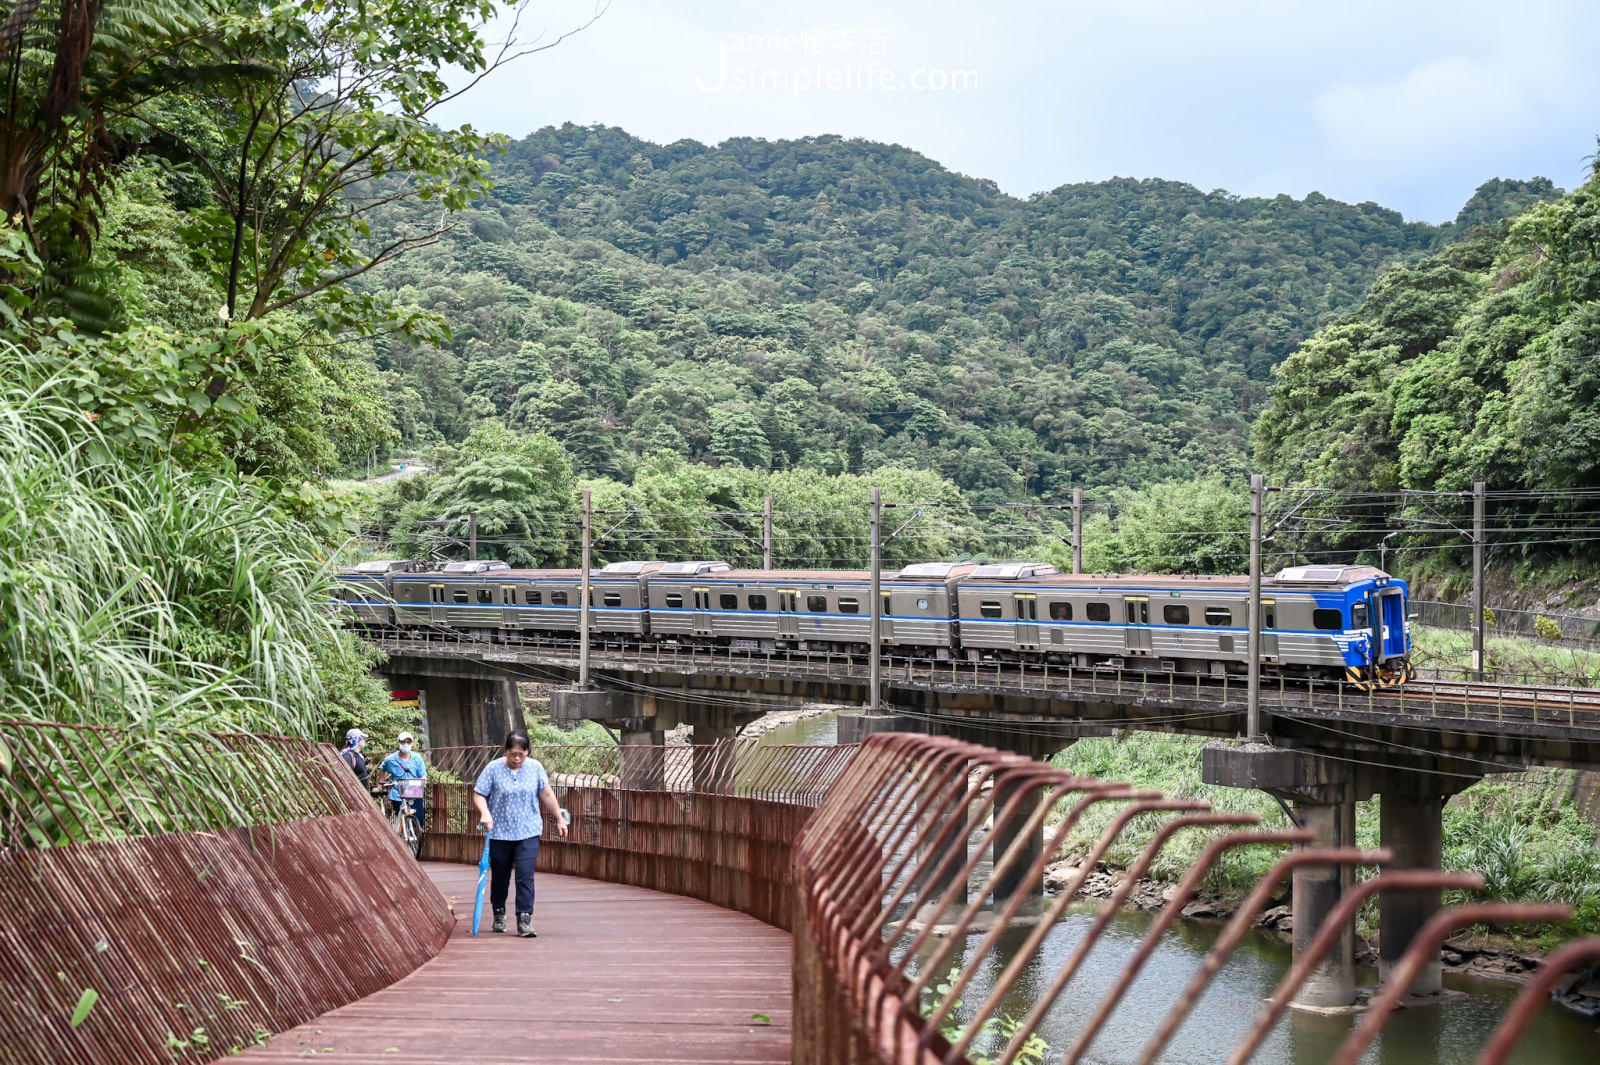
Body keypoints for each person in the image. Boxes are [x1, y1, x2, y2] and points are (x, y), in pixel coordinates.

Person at [471, 730, 568, 937]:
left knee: (525, 875)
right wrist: (485, 813)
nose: (517, 759)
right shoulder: (493, 768)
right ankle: (499, 912)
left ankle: (525, 919)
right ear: (506, 751)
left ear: (527, 753)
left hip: (528, 831)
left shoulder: (535, 768)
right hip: (500, 833)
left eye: (521, 755)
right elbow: (479, 794)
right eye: (513, 754)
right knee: (500, 877)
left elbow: (547, 794)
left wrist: (559, 818)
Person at [379, 730, 427, 831]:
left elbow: (423, 775)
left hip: (415, 793)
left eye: (408, 742)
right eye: (403, 742)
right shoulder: (390, 759)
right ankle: (401, 836)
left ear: (412, 743)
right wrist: (380, 785)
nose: (406, 744)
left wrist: (423, 782)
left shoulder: (417, 758)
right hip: (398, 794)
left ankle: (415, 840)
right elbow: (382, 769)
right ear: (399, 743)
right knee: (401, 818)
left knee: (418, 821)